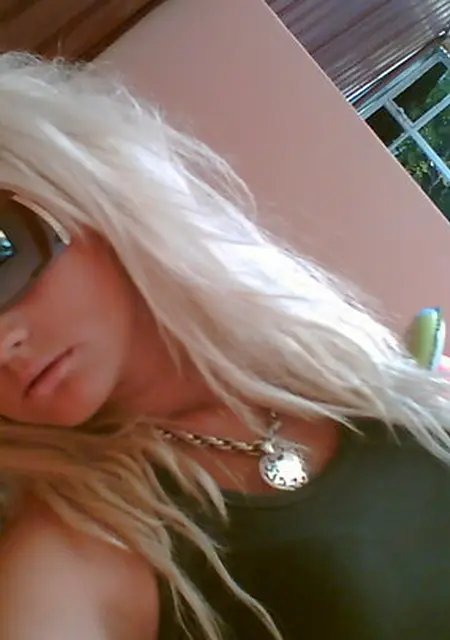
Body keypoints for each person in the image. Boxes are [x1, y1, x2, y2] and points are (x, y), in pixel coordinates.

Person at [0, 52, 450, 640]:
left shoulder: (330, 356)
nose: (3, 346)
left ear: (84, 191)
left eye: (0, 254)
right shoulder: (73, 560)